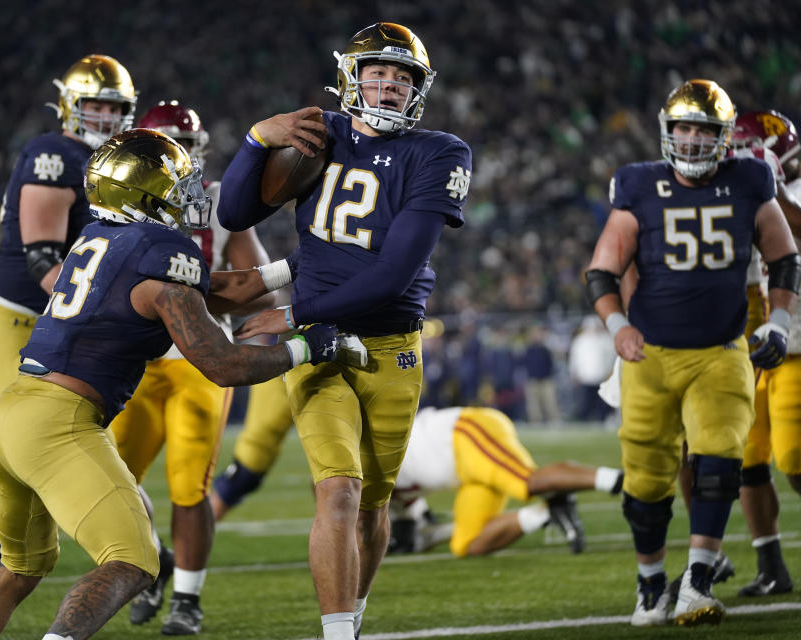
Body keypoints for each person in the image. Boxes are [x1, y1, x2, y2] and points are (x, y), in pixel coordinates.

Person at [0, 129, 341, 640]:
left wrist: (291, 267)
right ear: (144, 195)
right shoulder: (160, 250)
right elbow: (223, 364)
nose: (189, 195)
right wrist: (306, 347)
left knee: (19, 570)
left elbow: (209, 291)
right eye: (177, 185)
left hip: (12, 414)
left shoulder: (98, 237)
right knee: (132, 561)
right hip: (61, 423)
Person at [216, 22, 471, 640]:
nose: (387, 87)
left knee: (373, 505)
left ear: (418, 88)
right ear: (349, 79)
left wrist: (293, 308)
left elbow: (392, 272)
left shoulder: (440, 152)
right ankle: (337, 634)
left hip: (390, 349)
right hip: (319, 350)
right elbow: (232, 213)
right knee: (337, 490)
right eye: (376, 74)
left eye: (401, 77)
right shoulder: (321, 133)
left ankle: (351, 616)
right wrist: (257, 139)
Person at [0, 53, 138, 621]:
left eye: (116, 107)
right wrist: (111, 309)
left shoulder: (108, 163)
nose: (106, 117)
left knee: (42, 450)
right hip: (18, 321)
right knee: (26, 446)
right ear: (69, 105)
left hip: (62, 325)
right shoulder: (54, 153)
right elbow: (43, 258)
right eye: (96, 105)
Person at [585, 79, 800, 628]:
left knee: (720, 465)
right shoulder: (637, 184)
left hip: (721, 351)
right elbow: (602, 269)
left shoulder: (752, 180)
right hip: (650, 355)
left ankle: (697, 584)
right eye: (682, 127)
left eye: (703, 129)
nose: (691, 138)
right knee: (646, 484)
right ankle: (651, 584)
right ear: (666, 130)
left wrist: (778, 321)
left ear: (723, 136)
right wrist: (616, 326)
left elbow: (785, 260)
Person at [107, 100, 277, 635]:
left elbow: (251, 277)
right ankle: (153, 561)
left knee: (188, 487)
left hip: (197, 361)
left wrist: (248, 306)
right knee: (112, 483)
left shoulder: (219, 201)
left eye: (190, 147)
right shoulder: (118, 203)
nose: (184, 159)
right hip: (135, 361)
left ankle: (187, 597)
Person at [728, 110, 801, 595]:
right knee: (748, 458)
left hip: (798, 330)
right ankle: (771, 566)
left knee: (792, 457)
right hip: (744, 333)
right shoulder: (725, 188)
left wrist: (784, 262)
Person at [385, 406, 621, 556]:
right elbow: (417, 529)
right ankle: (548, 511)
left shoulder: (364, 473)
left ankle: (622, 480)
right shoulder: (387, 498)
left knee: (528, 482)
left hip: (462, 432)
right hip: (465, 476)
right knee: (466, 544)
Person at [210, 375, 293, 521]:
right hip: (283, 368)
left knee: (334, 477)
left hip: (335, 368)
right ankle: (190, 540)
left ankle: (335, 538)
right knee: (246, 470)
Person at [523, 325, 561, 425]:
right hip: (532, 379)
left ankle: (554, 419)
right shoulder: (528, 349)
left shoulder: (545, 349)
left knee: (550, 401)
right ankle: (535, 421)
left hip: (546, 379)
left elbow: (551, 363)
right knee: (533, 403)